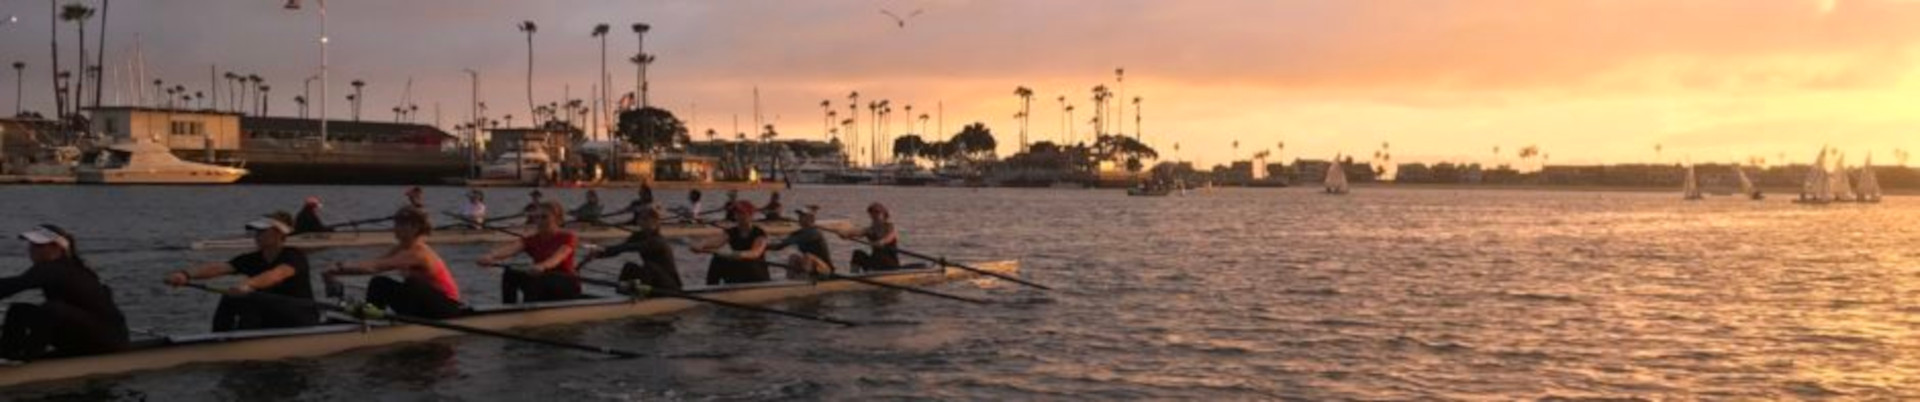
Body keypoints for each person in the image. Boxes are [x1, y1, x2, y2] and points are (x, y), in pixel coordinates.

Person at [165, 213, 320, 332]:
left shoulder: (294, 255)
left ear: (279, 234)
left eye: (262, 231)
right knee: (230, 297)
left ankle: (244, 341)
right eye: (256, 231)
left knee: (248, 298)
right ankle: (219, 338)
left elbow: (276, 275)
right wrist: (185, 274)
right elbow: (219, 267)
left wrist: (248, 284)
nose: (256, 235)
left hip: (300, 315)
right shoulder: (252, 258)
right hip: (271, 313)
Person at [0, 225, 129, 360]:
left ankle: (28, 360)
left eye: (39, 246)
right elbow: (11, 286)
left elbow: (16, 285)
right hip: (81, 335)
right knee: (18, 310)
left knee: (52, 308)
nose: (32, 250)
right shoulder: (52, 268)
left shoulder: (58, 269)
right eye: (32, 245)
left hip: (109, 342)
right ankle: (7, 355)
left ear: (57, 248)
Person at [321, 208, 463, 319]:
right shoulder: (402, 247)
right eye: (395, 223)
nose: (394, 228)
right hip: (425, 303)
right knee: (379, 282)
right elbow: (374, 264)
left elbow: (373, 267)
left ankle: (403, 324)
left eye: (400, 224)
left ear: (414, 227)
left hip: (447, 308)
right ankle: (371, 316)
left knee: (413, 285)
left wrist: (339, 267)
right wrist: (336, 271)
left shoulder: (418, 253)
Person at [478, 201, 582, 303]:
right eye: (537, 217)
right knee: (511, 272)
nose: (539, 221)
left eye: (544, 217)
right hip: (543, 278)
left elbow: (558, 257)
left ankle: (529, 312)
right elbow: (511, 248)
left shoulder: (568, 237)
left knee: (534, 278)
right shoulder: (532, 239)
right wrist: (490, 256)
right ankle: (507, 307)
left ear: (558, 220)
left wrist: (542, 266)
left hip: (566, 282)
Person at [592, 207, 682, 291]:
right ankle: (620, 293)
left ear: (655, 222)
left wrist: (608, 248)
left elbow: (631, 247)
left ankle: (642, 295)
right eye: (640, 219)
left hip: (670, 284)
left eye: (645, 219)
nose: (641, 222)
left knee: (650, 267)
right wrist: (600, 254)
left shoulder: (658, 240)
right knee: (629, 267)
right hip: (651, 279)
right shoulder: (638, 236)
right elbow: (620, 248)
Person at [692, 201, 770, 285]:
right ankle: (710, 289)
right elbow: (716, 242)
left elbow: (755, 253)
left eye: (742, 213)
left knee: (726, 258)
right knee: (718, 259)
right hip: (739, 269)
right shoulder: (732, 231)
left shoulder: (759, 233)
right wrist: (701, 244)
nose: (738, 216)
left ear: (750, 215)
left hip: (755, 272)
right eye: (737, 213)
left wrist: (734, 254)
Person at [769, 206, 833, 278]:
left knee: (808, 256)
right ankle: (790, 281)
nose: (799, 218)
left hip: (825, 270)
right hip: (810, 267)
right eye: (800, 216)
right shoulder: (799, 233)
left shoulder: (814, 233)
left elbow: (785, 243)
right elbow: (779, 246)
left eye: (803, 216)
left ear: (811, 218)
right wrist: (761, 246)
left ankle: (803, 283)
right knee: (793, 257)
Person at [839, 202, 902, 272]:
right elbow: (857, 232)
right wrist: (846, 234)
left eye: (877, 212)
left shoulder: (890, 227)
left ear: (884, 214)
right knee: (857, 253)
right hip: (875, 262)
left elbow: (890, 237)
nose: (874, 215)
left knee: (880, 256)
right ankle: (852, 276)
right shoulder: (870, 230)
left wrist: (882, 242)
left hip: (890, 264)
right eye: (872, 213)